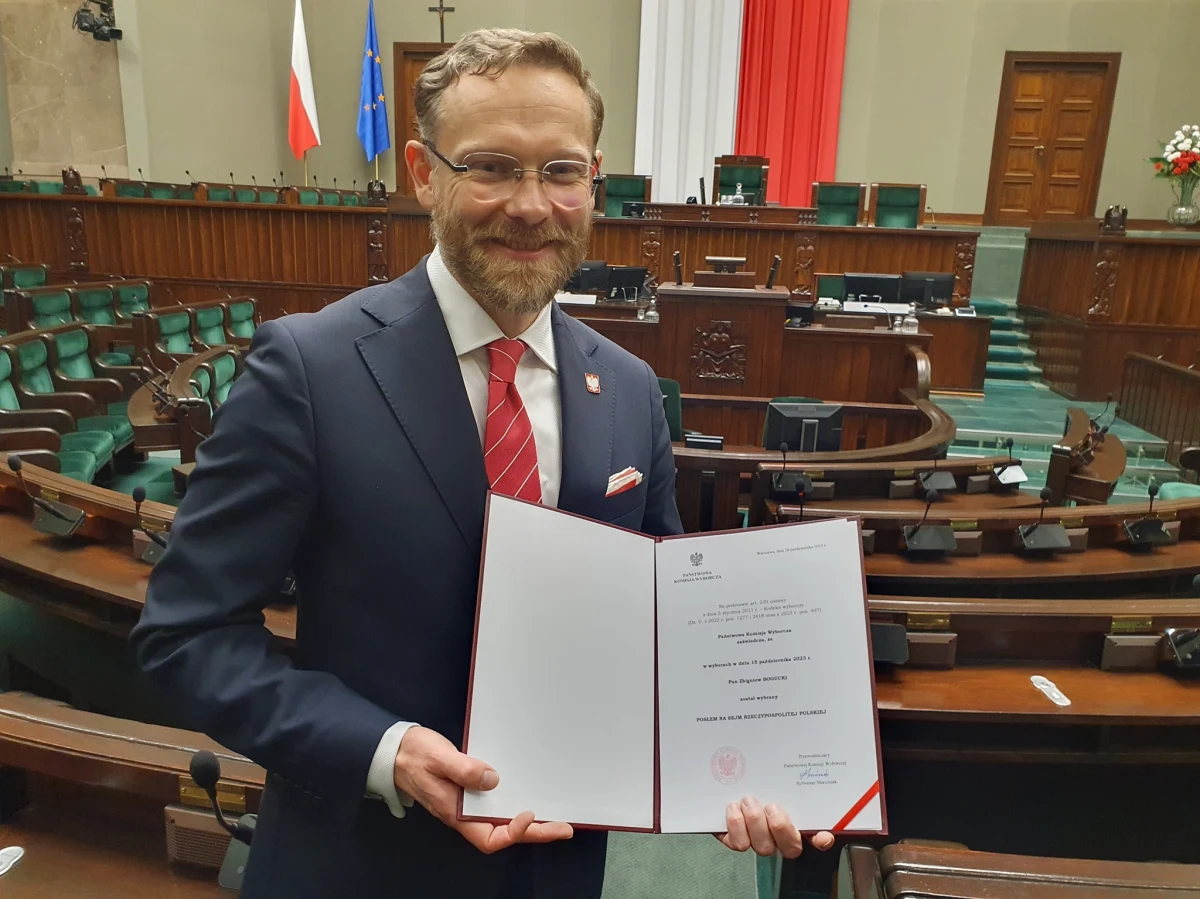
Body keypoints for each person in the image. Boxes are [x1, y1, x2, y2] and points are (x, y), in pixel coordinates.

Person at [132, 28, 831, 899]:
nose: (532, 205)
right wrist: (386, 751)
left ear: (594, 180)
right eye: (493, 166)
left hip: (560, 870)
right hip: (357, 862)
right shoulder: (308, 371)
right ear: (425, 174)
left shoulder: (628, 387)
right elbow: (187, 636)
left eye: (561, 170)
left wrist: (750, 766)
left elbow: (662, 635)